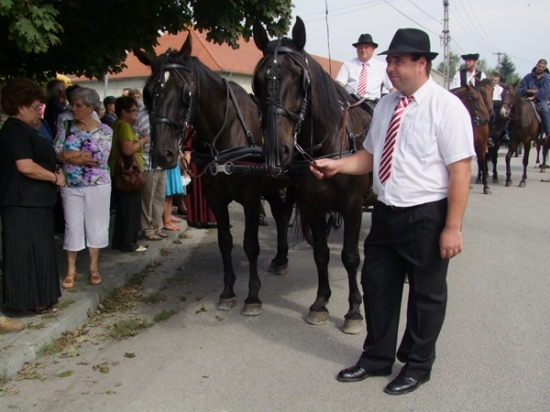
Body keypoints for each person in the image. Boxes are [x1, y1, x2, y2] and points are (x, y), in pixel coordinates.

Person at [311, 28, 475, 395]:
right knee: (377, 286)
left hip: (426, 215)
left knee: (426, 295)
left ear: (422, 63)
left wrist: (452, 227)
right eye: (390, 61)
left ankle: (417, 364)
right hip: (386, 213)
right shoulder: (386, 105)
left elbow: (460, 172)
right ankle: (376, 357)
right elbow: (369, 156)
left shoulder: (446, 108)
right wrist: (337, 165)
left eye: (399, 61)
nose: (391, 68)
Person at [0, 78, 65, 314]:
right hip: (22, 202)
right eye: (36, 107)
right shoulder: (15, 131)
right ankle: (29, 301)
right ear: (20, 107)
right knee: (26, 254)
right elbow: (25, 166)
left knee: (39, 251)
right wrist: (53, 177)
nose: (39, 111)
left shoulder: (24, 129)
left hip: (34, 202)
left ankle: (40, 299)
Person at [54, 87, 113, 289]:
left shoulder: (105, 130)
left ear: (90, 108)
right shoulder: (66, 126)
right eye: (73, 104)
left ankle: (93, 267)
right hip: (71, 185)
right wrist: (76, 156)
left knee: (96, 225)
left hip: (98, 185)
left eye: (78, 105)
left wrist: (70, 155)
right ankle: (70, 270)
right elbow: (56, 153)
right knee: (72, 226)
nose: (74, 109)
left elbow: (99, 158)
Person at [108, 96, 149, 253]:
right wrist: (142, 141)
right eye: (133, 110)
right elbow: (127, 150)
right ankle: (129, 243)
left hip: (118, 171)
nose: (136, 113)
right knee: (130, 210)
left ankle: (119, 241)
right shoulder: (124, 126)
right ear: (124, 112)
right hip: (127, 174)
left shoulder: (116, 124)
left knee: (123, 210)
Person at [335, 33, 394, 109]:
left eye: (366, 47)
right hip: (351, 103)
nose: (363, 50)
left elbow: (392, 88)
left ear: (373, 49)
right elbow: (339, 85)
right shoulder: (348, 65)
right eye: (361, 47)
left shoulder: (382, 67)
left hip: (372, 105)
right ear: (357, 50)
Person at [519, 59, 550, 140]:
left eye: (543, 67)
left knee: (545, 111)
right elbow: (521, 88)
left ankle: (546, 132)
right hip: (526, 98)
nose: (541, 68)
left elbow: (545, 91)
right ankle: (509, 132)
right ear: (536, 65)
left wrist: (534, 96)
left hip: (541, 100)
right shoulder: (528, 77)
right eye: (539, 66)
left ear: (545, 68)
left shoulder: (547, 78)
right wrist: (530, 91)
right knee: (515, 109)